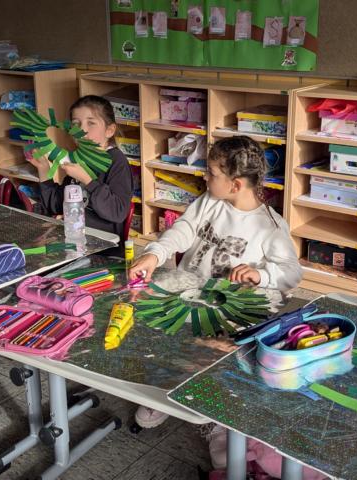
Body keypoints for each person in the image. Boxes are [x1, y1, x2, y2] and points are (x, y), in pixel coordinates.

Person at [128, 136, 302, 428]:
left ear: (235, 185)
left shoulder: (270, 226)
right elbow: (183, 229)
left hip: (224, 313)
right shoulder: (210, 200)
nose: (204, 177)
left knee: (209, 357)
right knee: (163, 340)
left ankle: (214, 414)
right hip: (186, 296)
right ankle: (163, 390)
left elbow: (292, 272)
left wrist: (261, 275)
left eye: (211, 173)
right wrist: (155, 254)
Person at [27, 95, 133, 257]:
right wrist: (43, 169)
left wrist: (87, 180)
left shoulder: (117, 161)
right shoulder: (77, 158)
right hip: (73, 242)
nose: (81, 130)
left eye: (91, 123)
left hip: (103, 251)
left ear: (109, 130)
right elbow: (56, 205)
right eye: (76, 124)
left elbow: (117, 212)